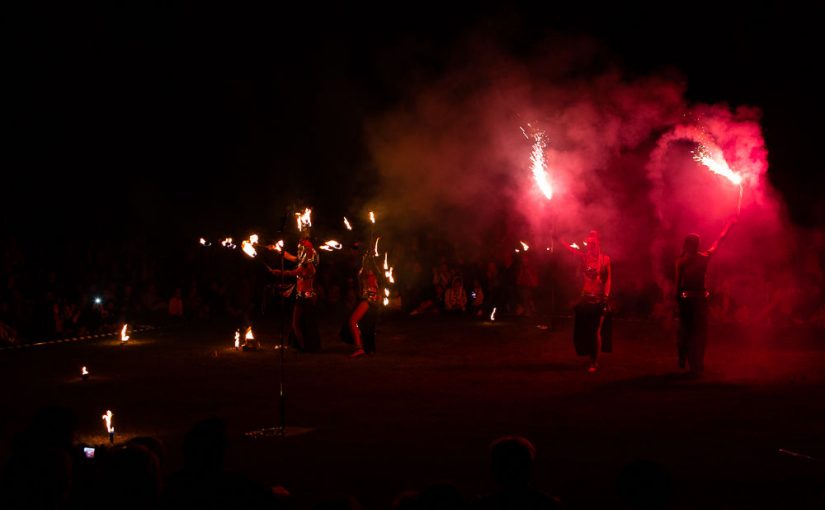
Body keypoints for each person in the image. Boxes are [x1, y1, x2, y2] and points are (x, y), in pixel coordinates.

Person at [675, 217, 737, 373]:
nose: (697, 245)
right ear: (689, 245)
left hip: (697, 300)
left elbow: (720, 240)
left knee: (698, 331)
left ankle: (695, 361)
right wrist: (678, 301)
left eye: (697, 243)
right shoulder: (686, 261)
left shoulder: (700, 258)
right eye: (695, 243)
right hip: (691, 301)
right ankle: (688, 358)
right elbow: (678, 284)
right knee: (691, 331)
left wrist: (729, 225)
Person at [558, 230, 612, 373]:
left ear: (598, 243)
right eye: (588, 243)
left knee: (595, 330)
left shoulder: (605, 259)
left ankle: (594, 362)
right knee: (587, 330)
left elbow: (609, 280)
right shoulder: (585, 258)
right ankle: (591, 356)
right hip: (586, 297)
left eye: (593, 243)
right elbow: (571, 249)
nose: (590, 246)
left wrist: (606, 297)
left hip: (599, 298)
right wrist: (560, 240)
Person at [267, 234, 321, 352]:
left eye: (303, 248)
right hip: (301, 296)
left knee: (305, 323)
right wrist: (277, 249)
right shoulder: (303, 262)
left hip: (307, 297)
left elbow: (292, 273)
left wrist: (278, 272)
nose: (300, 250)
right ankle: (302, 347)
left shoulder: (308, 265)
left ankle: (307, 347)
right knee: (296, 323)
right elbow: (291, 257)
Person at [346, 250, 382, 358]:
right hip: (369, 299)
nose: (363, 259)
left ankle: (359, 348)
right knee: (366, 325)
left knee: (352, 321)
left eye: (366, 258)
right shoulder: (370, 271)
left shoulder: (368, 271)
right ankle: (367, 348)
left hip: (368, 300)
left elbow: (372, 288)